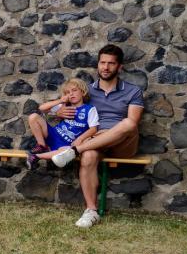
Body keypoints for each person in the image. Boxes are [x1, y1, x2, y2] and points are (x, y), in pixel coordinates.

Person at [49, 44, 144, 228]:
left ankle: (74, 150)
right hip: (94, 142)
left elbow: (133, 124)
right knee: (89, 155)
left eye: (111, 63)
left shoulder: (133, 91)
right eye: (102, 63)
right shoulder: (86, 91)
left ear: (119, 67)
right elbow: (61, 106)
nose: (106, 67)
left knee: (128, 123)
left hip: (122, 144)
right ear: (98, 65)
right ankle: (91, 211)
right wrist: (59, 113)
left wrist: (106, 133)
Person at [25, 78, 99, 169]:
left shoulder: (90, 109)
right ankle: (42, 146)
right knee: (33, 117)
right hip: (53, 134)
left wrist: (80, 139)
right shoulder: (64, 105)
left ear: (83, 92)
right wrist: (60, 101)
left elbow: (93, 129)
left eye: (74, 90)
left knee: (68, 151)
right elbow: (42, 108)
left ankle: (36, 157)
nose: (71, 94)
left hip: (66, 143)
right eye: (67, 92)